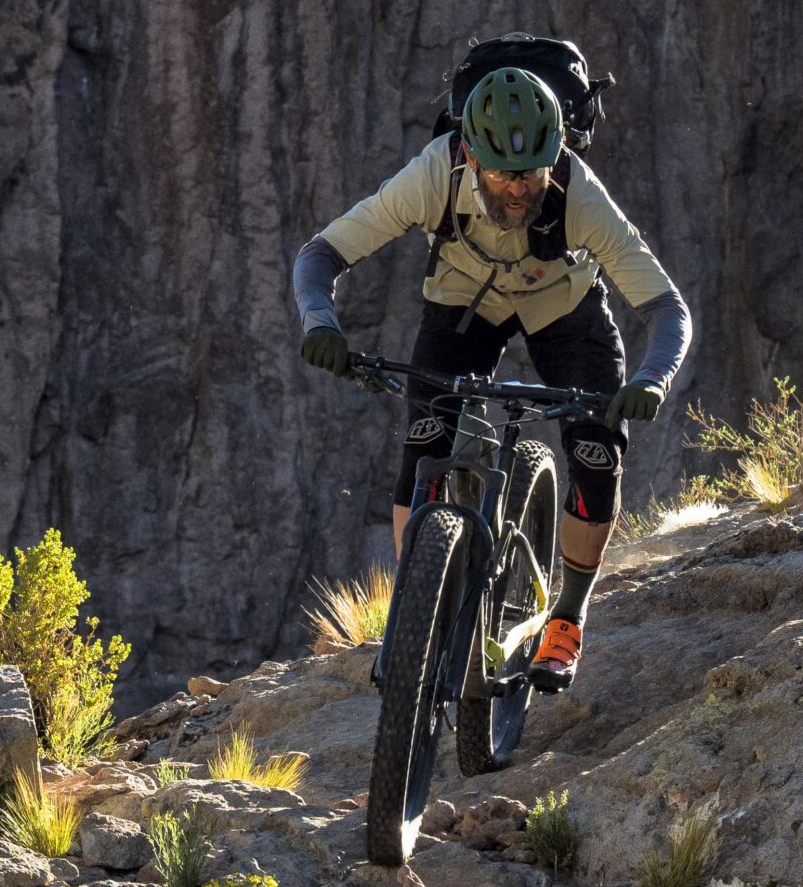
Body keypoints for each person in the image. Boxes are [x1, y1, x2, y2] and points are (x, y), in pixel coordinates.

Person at [289, 66, 692, 690]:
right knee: (424, 443)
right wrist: (322, 325)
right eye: (503, 174)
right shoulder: (431, 175)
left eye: (532, 173)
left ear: (554, 154)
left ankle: (567, 616)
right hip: (462, 301)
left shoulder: (579, 195)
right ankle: (413, 613)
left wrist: (653, 378)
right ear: (470, 154)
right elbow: (321, 254)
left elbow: (667, 307)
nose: (517, 190)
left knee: (595, 450)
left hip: (562, 305)